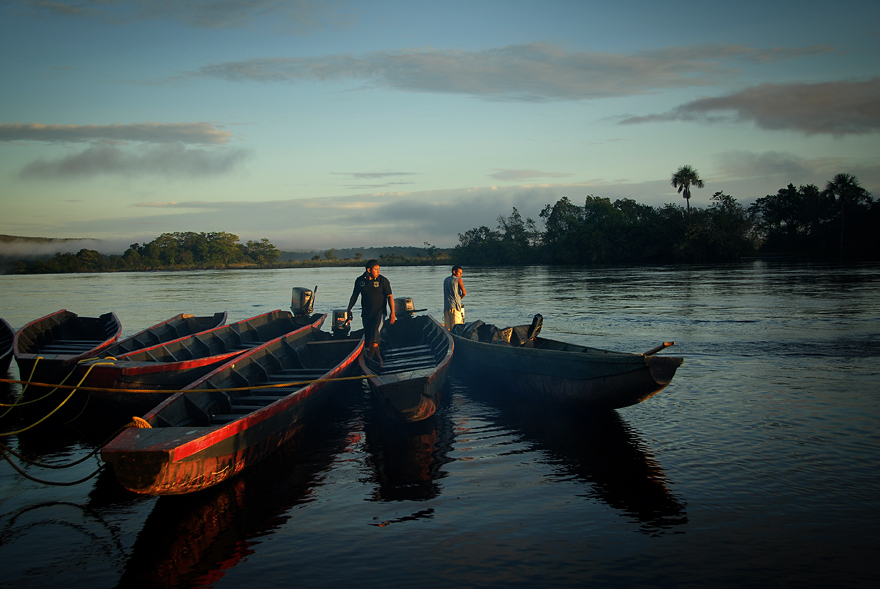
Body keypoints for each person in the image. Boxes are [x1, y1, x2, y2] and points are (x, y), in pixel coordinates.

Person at [347, 259, 395, 365]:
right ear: (369, 270)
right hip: (366, 314)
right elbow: (354, 296)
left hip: (380, 312)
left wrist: (393, 312)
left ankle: (369, 359)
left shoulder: (383, 280)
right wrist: (349, 309)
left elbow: (390, 297)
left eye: (379, 269)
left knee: (375, 333)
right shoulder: (360, 281)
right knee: (370, 338)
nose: (378, 271)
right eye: (376, 269)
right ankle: (379, 358)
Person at [443, 265, 467, 330]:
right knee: (457, 329)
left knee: (448, 329)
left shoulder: (446, 280)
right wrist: (459, 299)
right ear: (454, 272)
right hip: (455, 308)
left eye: (461, 273)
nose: (461, 275)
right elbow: (464, 293)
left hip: (446, 308)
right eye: (459, 273)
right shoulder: (458, 279)